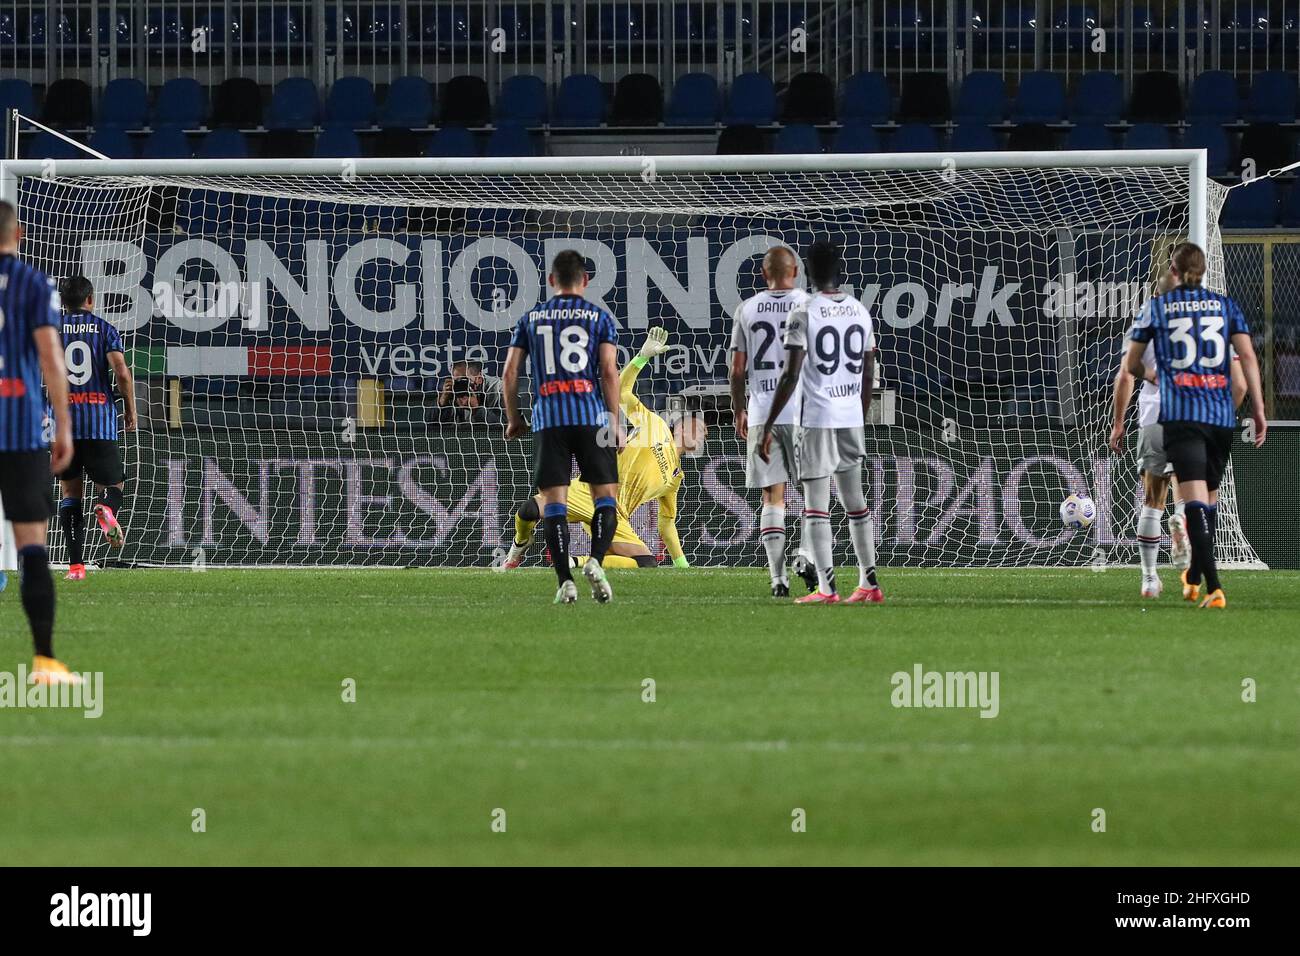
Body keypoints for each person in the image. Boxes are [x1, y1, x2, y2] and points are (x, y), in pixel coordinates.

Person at [1122, 241, 1267, 609]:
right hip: (1219, 416)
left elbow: (1131, 367)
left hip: (1180, 414)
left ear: (1174, 270)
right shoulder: (1225, 307)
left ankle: (1199, 584)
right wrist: (1259, 409)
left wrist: (1155, 376)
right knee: (1208, 503)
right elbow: (1245, 365)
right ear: (1204, 271)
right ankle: (1196, 577)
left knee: (1186, 503)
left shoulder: (1158, 309)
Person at [499, 328, 705, 571]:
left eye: (704, 433)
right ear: (680, 426)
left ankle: (576, 561)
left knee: (647, 562)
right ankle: (518, 547)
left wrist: (684, 567)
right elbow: (622, 392)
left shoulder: (675, 477)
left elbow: (666, 525)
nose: (702, 432)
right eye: (698, 426)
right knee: (528, 511)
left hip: (616, 515)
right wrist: (642, 357)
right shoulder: (655, 425)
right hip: (590, 488)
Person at [760, 239, 884, 605]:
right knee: (856, 504)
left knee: (816, 506)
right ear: (840, 271)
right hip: (850, 416)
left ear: (808, 272)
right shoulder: (860, 310)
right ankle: (869, 584)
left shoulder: (804, 311)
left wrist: (767, 425)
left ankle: (828, 589)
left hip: (817, 418)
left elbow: (790, 374)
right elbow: (868, 371)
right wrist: (858, 414)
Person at [501, 250, 624, 604]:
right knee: (606, 499)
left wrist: (514, 418)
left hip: (549, 419)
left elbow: (510, 373)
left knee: (553, 504)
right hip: (590, 417)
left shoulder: (532, 318)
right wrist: (614, 423)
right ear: (585, 280)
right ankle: (596, 562)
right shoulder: (599, 317)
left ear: (552, 280)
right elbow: (608, 372)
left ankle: (564, 582)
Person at [0, 200, 79, 683]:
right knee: (32, 548)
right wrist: (64, 426)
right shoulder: (33, 283)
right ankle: (45, 662)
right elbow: (52, 359)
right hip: (21, 429)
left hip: (21, 431)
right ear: (21, 233)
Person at [729, 246, 816, 597]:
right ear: (795, 270)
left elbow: (736, 370)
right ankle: (806, 553)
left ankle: (777, 578)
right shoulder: (810, 305)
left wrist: (739, 409)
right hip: (805, 412)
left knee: (772, 497)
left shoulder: (747, 308)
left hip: (763, 411)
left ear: (765, 275)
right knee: (815, 491)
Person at [55, 275, 137, 580]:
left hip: (63, 424)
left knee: (70, 492)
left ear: (63, 302)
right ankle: (105, 506)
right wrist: (130, 410)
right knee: (114, 486)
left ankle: (76, 567)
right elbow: (122, 374)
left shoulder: (52, 330)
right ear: (90, 299)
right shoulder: (105, 329)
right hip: (99, 421)